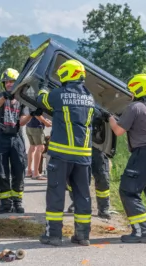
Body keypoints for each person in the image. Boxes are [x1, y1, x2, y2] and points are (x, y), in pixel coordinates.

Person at [101, 73, 146, 243]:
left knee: (128, 190)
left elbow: (118, 131)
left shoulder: (135, 108)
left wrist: (109, 118)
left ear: (137, 89)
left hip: (143, 153)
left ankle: (140, 232)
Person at [36, 59, 95, 246]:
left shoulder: (58, 94)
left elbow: (41, 100)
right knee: (82, 194)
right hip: (83, 157)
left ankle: (53, 235)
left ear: (66, 75)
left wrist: (43, 87)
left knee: (56, 192)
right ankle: (83, 236)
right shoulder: (90, 97)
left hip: (61, 155)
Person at [0, 68, 35, 214]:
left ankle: (17, 202)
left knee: (19, 170)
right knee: (1, 172)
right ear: (3, 84)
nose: (9, 84)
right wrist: (4, 97)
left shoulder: (22, 99)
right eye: (7, 82)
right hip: (0, 137)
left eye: (12, 82)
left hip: (16, 138)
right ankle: (5, 203)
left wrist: (32, 115)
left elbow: (22, 122)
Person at [25, 114, 52, 180]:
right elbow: (37, 113)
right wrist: (45, 122)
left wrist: (45, 120)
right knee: (41, 147)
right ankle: (36, 173)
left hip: (29, 125)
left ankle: (29, 171)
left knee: (32, 147)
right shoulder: (38, 103)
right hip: (37, 127)